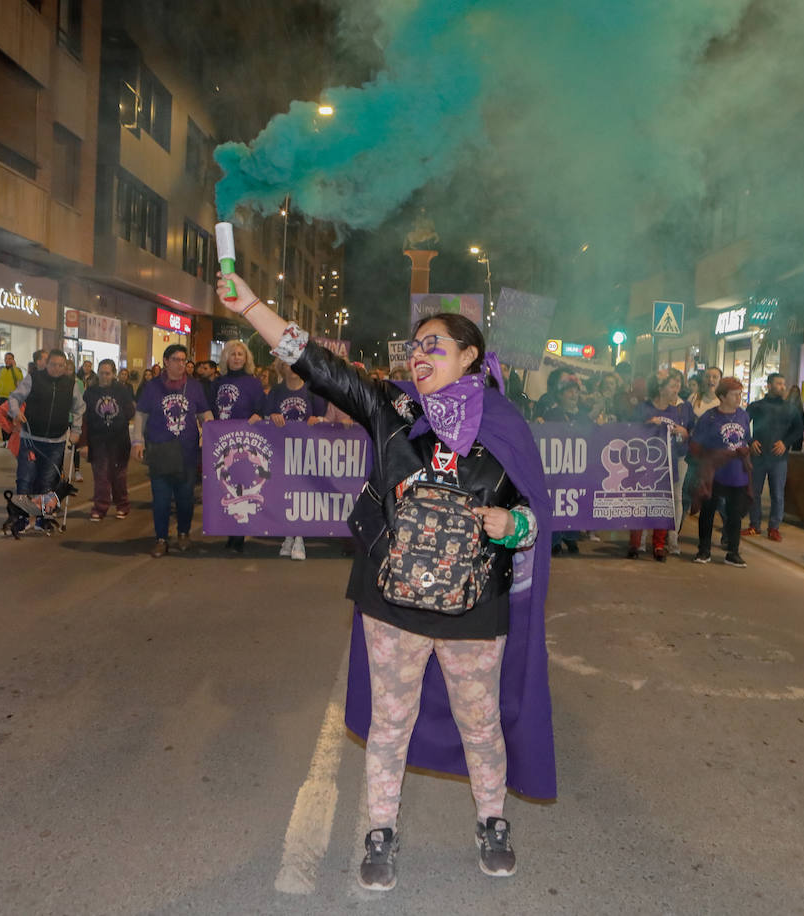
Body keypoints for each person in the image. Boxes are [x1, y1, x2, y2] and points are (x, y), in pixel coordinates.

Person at [216, 270, 555, 891]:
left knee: (479, 723)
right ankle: (381, 830)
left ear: (470, 356)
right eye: (416, 345)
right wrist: (252, 310)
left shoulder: (506, 424)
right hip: (392, 602)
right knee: (390, 722)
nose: (420, 355)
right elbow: (317, 365)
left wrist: (512, 522)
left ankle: (492, 820)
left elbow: (536, 520)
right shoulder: (393, 408)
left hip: (475, 608)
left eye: (436, 346)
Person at [135, 344, 213, 557]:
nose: (181, 364)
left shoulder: (195, 387)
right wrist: (137, 442)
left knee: (185, 498)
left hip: (187, 452)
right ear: (166, 362)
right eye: (176, 360)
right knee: (160, 499)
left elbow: (204, 412)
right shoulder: (152, 387)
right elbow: (141, 414)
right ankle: (161, 538)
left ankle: (183, 534)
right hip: (160, 451)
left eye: (184, 360)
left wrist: (208, 427)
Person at [6, 349, 84, 530]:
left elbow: (79, 408)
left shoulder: (71, 383)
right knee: (24, 479)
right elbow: (14, 397)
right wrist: (16, 412)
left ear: (66, 367)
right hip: (31, 439)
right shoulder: (33, 378)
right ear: (46, 364)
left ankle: (43, 518)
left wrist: (76, 430)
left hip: (56, 441)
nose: (57, 369)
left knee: (47, 482)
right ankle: (21, 518)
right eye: (53, 364)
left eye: (61, 365)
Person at [265, 358, 329, 561]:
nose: (291, 368)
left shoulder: (312, 391)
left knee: (301, 494)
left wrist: (316, 420)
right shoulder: (276, 391)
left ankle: (299, 536)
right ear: (281, 367)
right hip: (281, 450)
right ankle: (288, 535)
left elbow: (325, 419)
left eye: (295, 364)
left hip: (305, 451)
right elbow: (264, 417)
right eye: (287, 363)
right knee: (285, 493)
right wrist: (272, 416)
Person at [211, 340, 266, 553]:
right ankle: (229, 530)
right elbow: (210, 409)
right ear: (226, 357)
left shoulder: (253, 383)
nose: (236, 357)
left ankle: (238, 535)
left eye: (240, 354)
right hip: (221, 441)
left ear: (246, 358)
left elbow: (261, 407)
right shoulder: (217, 382)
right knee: (223, 486)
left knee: (240, 486)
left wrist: (257, 415)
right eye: (232, 354)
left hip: (244, 443)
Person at [690, 377, 752, 567]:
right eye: (734, 394)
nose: (738, 398)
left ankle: (733, 551)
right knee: (708, 511)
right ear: (723, 396)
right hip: (715, 472)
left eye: (740, 394)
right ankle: (704, 549)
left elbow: (746, 439)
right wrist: (708, 460)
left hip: (737, 472)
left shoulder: (743, 416)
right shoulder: (709, 417)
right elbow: (696, 444)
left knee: (734, 514)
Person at [632, 369, 692, 560]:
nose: (677, 389)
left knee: (663, 505)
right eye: (672, 385)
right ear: (660, 387)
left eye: (677, 385)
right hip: (644, 463)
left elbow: (685, 437)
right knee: (641, 503)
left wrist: (683, 432)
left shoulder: (677, 410)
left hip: (668, 463)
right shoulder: (644, 408)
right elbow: (630, 431)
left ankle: (659, 544)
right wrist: (648, 423)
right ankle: (636, 543)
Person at [743, 373, 804, 542]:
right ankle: (754, 525)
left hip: (779, 459)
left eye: (784, 384)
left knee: (777, 494)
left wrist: (786, 443)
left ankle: (774, 527)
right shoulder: (756, 406)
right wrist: (750, 441)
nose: (783, 387)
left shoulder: (790, 408)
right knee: (754, 492)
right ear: (769, 385)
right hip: (758, 456)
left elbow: (799, 429)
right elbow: (742, 425)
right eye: (779, 383)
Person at [537, 373, 593, 555]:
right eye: (569, 391)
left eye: (576, 391)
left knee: (575, 500)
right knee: (556, 500)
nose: (573, 395)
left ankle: (571, 538)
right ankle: (554, 539)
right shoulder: (552, 414)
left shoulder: (585, 416)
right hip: (556, 467)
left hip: (577, 467)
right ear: (560, 395)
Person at [81, 359, 142, 521]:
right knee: (101, 476)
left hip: (119, 440)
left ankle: (122, 505)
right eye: (101, 373)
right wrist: (83, 443)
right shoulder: (90, 392)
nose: (104, 376)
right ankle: (100, 507)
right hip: (98, 440)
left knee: (119, 476)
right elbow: (84, 419)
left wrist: (119, 418)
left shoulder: (122, 391)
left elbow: (130, 412)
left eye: (107, 373)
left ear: (113, 374)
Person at [0, 351, 24, 444]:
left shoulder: (17, 370)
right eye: (6, 359)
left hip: (11, 399)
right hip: (1, 397)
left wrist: (14, 367)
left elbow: (20, 380)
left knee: (10, 419)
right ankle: (5, 440)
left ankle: (10, 440)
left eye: (9, 359)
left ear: (13, 360)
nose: (7, 360)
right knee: (2, 420)